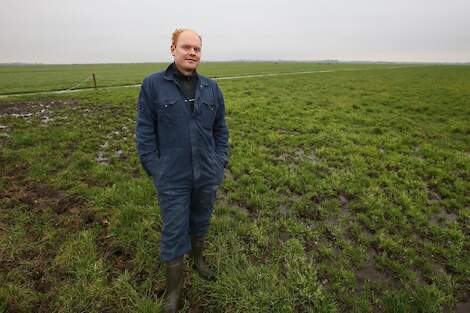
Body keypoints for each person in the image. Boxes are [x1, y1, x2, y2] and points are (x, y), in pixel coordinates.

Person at [135, 28, 229, 312]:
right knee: (175, 231)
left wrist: (219, 160)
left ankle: (198, 260)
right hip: (172, 177)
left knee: (201, 219)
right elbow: (144, 131)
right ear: (173, 49)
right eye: (186, 47)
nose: (192, 53)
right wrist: (156, 169)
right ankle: (174, 293)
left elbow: (220, 128)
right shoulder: (153, 85)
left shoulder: (211, 87)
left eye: (197, 49)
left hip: (206, 174)